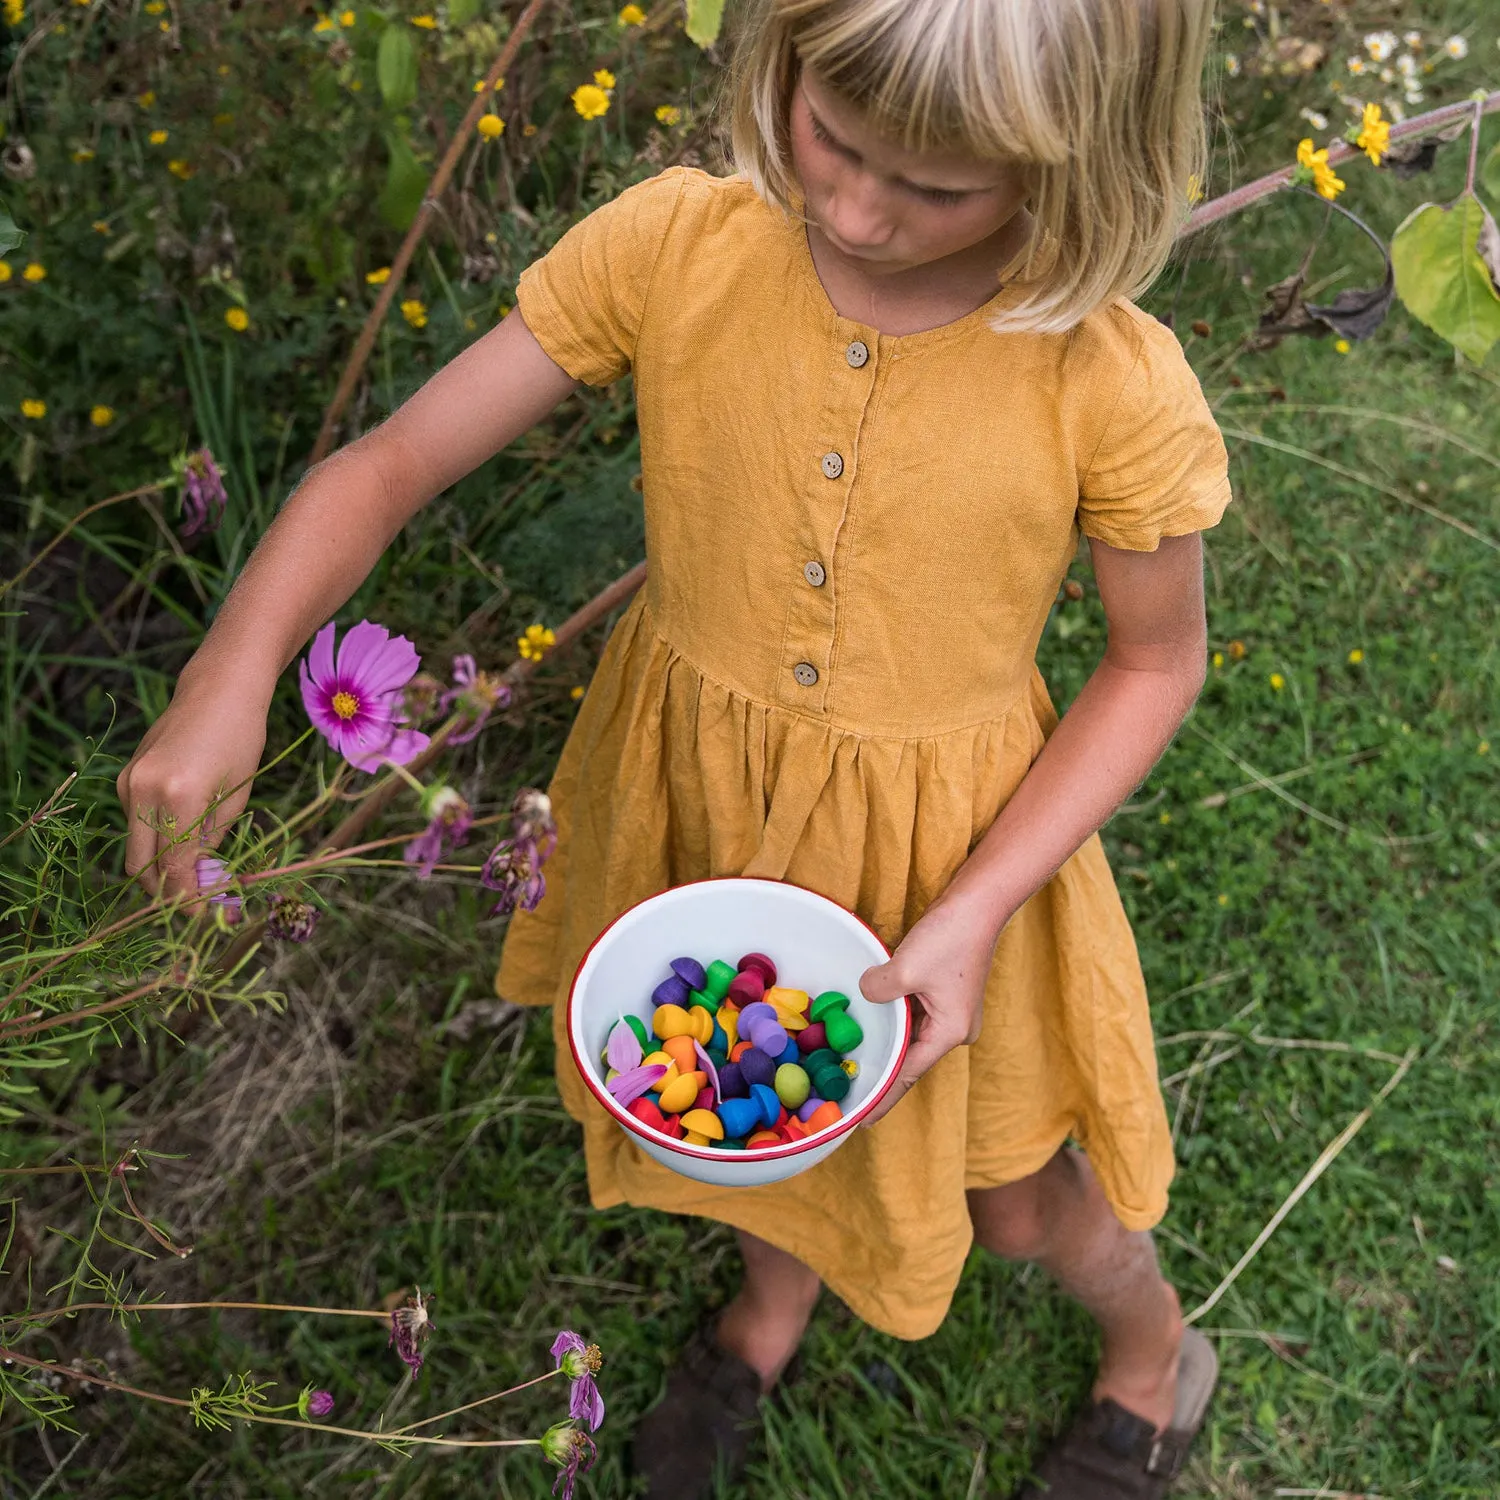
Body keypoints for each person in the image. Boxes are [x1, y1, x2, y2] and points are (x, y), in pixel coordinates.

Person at [118, 0, 1229, 1494]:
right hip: (707, 806)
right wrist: (231, 666)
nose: (849, 206)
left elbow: (1155, 664)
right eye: (830, 136)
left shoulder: (1101, 372)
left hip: (957, 860)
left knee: (1016, 1195)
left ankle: (1155, 1349)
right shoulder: (680, 244)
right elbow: (392, 463)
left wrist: (971, 912)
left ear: (1071, 168)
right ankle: (772, 1304)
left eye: (937, 187)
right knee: (750, 1099)